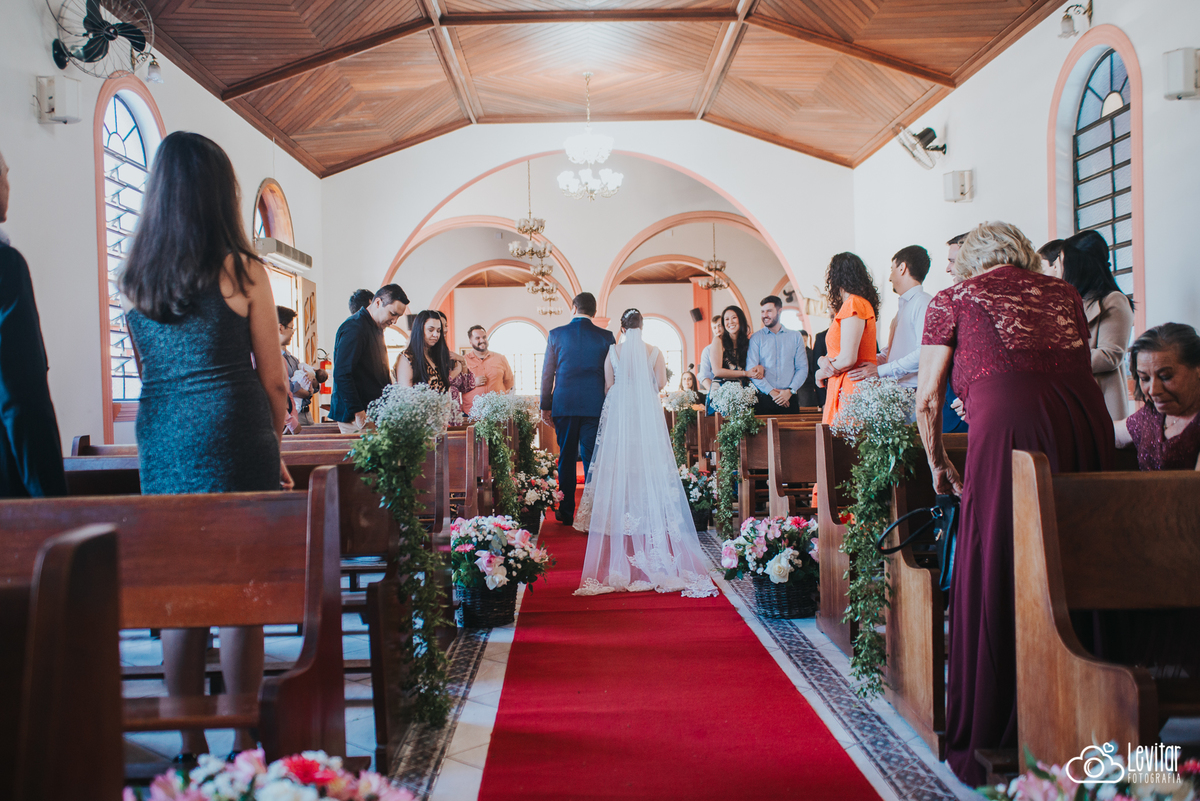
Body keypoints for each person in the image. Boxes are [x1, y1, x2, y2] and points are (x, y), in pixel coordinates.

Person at [914, 221, 1113, 786]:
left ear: (973, 259)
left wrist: (938, 466)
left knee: (1001, 550)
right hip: (1082, 426)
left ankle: (1003, 724)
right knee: (1076, 557)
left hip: (1009, 430)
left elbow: (928, 399)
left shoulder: (953, 299)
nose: (949, 270)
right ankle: (1086, 716)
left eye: (956, 261)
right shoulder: (1065, 294)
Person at [118, 131, 294, 758]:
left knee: (180, 584)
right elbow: (274, 378)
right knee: (240, 585)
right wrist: (273, 449)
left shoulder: (135, 278)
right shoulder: (244, 268)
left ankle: (187, 743)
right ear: (222, 193)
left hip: (161, 429)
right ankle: (242, 737)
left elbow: (148, 370)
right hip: (232, 424)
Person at [573, 308, 718, 598]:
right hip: (645, 411)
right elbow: (661, 384)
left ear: (624, 329)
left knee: (619, 463)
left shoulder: (613, 351)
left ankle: (620, 511)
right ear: (643, 327)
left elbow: (608, 385)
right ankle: (647, 509)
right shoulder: (655, 352)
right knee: (647, 463)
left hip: (620, 412)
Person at [0, 145, 67, 499]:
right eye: (4, 174)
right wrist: (51, 499)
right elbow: (21, 396)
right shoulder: (6, 268)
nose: (8, 181)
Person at [540, 293, 616, 526]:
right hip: (595, 405)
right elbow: (611, 372)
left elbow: (547, 373)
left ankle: (566, 510)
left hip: (564, 404)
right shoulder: (606, 336)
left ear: (573, 308)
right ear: (594, 312)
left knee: (567, 458)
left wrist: (545, 406)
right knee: (593, 457)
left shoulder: (556, 334)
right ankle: (594, 512)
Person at [1061, 230, 1135, 420]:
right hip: (1074, 397)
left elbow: (1110, 355)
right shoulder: (1073, 301)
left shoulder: (1113, 300)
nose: (1060, 269)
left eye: (1062, 262)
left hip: (1101, 399)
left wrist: (1060, 359)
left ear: (1078, 265)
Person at [847, 246, 933, 406]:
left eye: (892, 269)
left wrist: (880, 371)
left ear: (902, 268)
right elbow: (895, 348)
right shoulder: (905, 305)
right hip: (896, 390)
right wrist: (874, 361)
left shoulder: (923, 302)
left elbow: (924, 353)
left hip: (912, 391)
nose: (890, 278)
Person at [1115, 323, 1200, 470]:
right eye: (1144, 378)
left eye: (1165, 376)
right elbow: (1109, 433)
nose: (1153, 391)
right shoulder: (1150, 415)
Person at [329, 284, 408, 433]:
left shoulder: (375, 327)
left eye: (398, 316)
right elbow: (342, 374)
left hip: (373, 413)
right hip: (358, 415)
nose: (395, 320)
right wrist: (358, 412)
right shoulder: (355, 328)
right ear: (378, 303)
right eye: (393, 313)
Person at [814, 253, 879, 425]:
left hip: (851, 386)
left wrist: (819, 373)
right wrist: (822, 360)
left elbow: (848, 358)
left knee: (846, 449)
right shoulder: (852, 305)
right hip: (843, 384)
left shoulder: (854, 304)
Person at [745, 295, 813, 413]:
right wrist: (772, 393)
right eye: (762, 311)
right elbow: (752, 370)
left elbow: (802, 368)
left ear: (779, 311)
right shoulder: (756, 338)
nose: (765, 315)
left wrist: (790, 391)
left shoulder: (795, 336)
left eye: (769, 311)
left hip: (790, 398)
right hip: (764, 398)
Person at [394, 310, 466, 395]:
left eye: (438, 331)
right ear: (419, 330)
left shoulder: (436, 356)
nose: (436, 335)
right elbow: (406, 397)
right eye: (431, 330)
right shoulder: (407, 358)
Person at [708, 306, 764, 414]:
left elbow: (756, 363)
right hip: (721, 392)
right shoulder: (719, 340)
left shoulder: (748, 342)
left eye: (734, 318)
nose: (730, 322)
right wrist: (745, 373)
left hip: (743, 393)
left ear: (741, 319)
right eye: (727, 319)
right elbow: (717, 371)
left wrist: (760, 368)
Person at [941, 234, 970, 434]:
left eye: (952, 261)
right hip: (948, 414)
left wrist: (974, 398)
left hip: (974, 416)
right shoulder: (950, 302)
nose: (948, 269)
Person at [461, 324, 515, 413]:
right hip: (472, 413)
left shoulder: (500, 358)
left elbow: (509, 383)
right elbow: (457, 386)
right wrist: (473, 383)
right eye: (477, 338)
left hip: (497, 412)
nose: (482, 340)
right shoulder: (463, 361)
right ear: (470, 342)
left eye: (484, 337)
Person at [695, 314, 722, 398]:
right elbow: (704, 375)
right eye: (714, 328)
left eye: (720, 326)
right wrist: (715, 395)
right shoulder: (707, 350)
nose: (717, 330)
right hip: (715, 392)